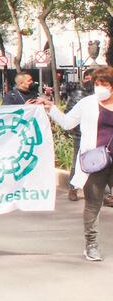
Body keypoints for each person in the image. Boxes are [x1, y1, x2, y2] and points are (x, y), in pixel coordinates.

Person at [42, 67, 113, 261]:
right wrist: (50, 109)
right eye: (97, 84)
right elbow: (67, 122)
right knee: (93, 204)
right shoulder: (87, 103)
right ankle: (91, 245)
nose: (100, 88)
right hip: (95, 161)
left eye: (104, 84)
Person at [65, 70, 94, 201]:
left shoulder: (101, 94)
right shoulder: (77, 94)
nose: (89, 81)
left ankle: (104, 193)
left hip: (98, 133)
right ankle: (73, 188)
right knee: (77, 161)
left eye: (91, 78)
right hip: (80, 134)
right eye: (86, 78)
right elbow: (68, 113)